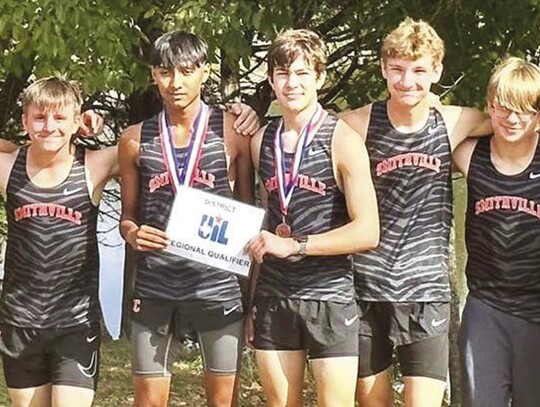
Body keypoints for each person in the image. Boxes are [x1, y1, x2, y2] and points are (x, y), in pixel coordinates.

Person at [340, 17, 491, 407]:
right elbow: (300, 124)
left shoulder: (454, 121)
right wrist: (245, 115)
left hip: (427, 292)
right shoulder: (357, 123)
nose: (408, 81)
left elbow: (516, 117)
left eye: (419, 70)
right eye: (398, 70)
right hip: (366, 289)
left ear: (437, 70)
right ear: (383, 69)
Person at [118, 30, 255, 407]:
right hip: (156, 285)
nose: (175, 82)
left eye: (186, 70)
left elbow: (249, 214)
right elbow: (127, 217)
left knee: (222, 402)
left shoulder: (233, 132)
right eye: (164, 72)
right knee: (148, 401)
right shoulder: (134, 138)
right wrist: (132, 234)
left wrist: (253, 293)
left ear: (204, 72)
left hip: (217, 286)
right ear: (153, 75)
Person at [246, 29, 379, 407]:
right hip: (275, 296)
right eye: (284, 74)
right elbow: (265, 226)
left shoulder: (343, 139)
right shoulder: (261, 142)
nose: (293, 83)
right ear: (271, 80)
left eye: (303, 73)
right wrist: (251, 301)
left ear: (320, 77)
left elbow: (368, 231)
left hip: (330, 297)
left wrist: (296, 245)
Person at [0, 76, 118, 407]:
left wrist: (92, 124)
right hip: (20, 320)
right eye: (39, 117)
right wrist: (11, 145)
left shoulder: (94, 165)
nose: (49, 126)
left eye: (60, 117)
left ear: (78, 121)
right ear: (25, 121)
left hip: (75, 323)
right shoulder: (9, 168)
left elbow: (144, 145)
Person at [453, 57, 540, 407]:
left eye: (525, 110)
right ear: (489, 105)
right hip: (486, 307)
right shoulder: (468, 155)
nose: (513, 118)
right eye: (504, 107)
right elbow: (428, 122)